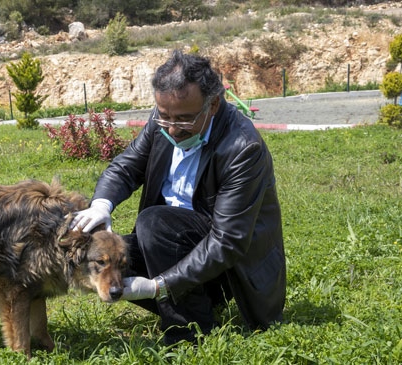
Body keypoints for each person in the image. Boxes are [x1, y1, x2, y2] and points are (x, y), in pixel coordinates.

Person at [72, 50, 286, 345]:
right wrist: (101, 205)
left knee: (155, 223)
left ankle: (187, 333)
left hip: (226, 271)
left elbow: (228, 241)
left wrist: (159, 286)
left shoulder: (242, 148)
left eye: (184, 120)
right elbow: (126, 166)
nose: (171, 128)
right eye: (164, 116)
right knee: (113, 260)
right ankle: (194, 308)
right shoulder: (165, 118)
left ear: (212, 105)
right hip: (168, 247)